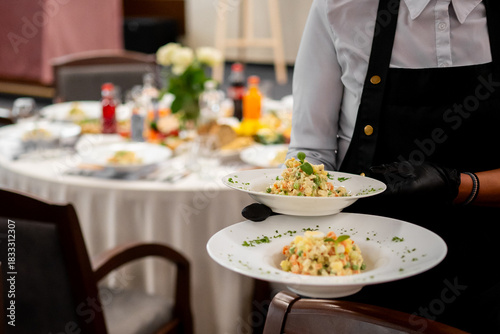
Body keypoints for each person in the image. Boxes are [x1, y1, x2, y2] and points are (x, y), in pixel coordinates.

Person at [287, 0, 500, 331]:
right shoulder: (339, 7)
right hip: (366, 266)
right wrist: (288, 200)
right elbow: (311, 151)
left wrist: (457, 185)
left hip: (490, 269)